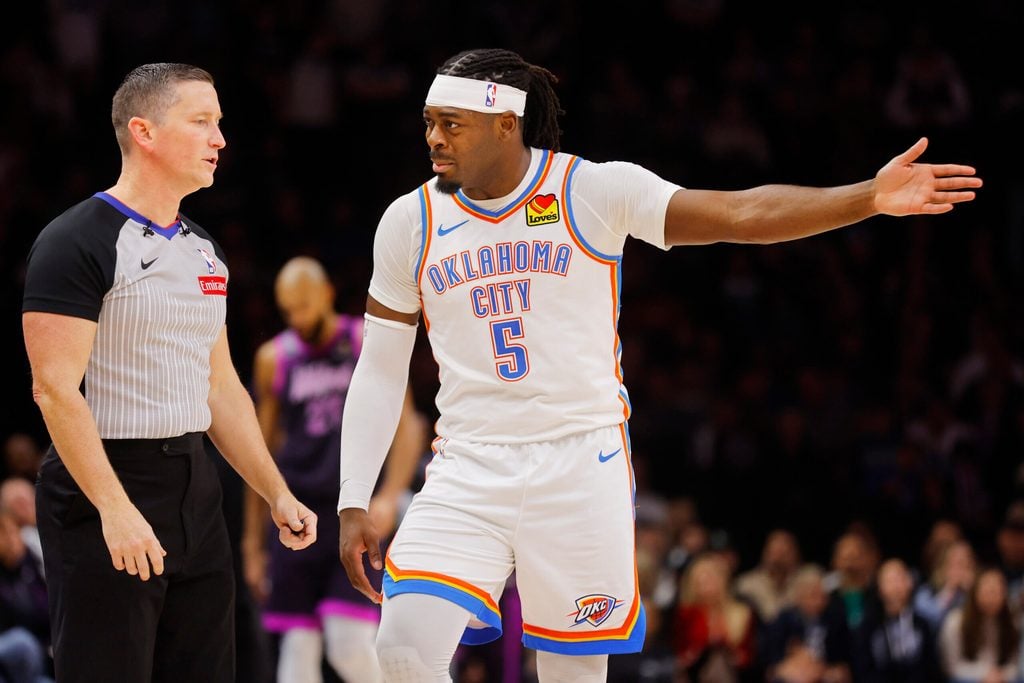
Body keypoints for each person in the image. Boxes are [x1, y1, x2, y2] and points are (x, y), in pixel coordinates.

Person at [336, 47, 981, 682]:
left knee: (572, 678)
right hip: (468, 463)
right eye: (429, 122)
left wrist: (868, 196)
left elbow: (740, 213)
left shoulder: (589, 190)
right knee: (402, 651)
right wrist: (352, 499)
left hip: (578, 461)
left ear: (507, 123)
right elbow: (381, 369)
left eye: (452, 123)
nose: (433, 138)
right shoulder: (409, 220)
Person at [20, 62, 318, 682]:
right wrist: (115, 508)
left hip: (197, 487)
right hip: (105, 479)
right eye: (202, 122)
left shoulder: (204, 248)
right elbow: (53, 388)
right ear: (144, 131)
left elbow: (221, 387)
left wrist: (275, 491)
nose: (220, 139)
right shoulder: (75, 239)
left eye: (220, 123)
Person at [243, 255, 426, 683]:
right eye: (287, 309)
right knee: (296, 653)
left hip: (355, 510)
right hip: (299, 514)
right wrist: (253, 545)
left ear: (326, 294)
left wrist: (389, 494)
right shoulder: (275, 358)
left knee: (349, 644)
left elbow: (408, 426)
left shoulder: (363, 341)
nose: (297, 317)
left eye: (304, 305)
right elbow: (259, 451)